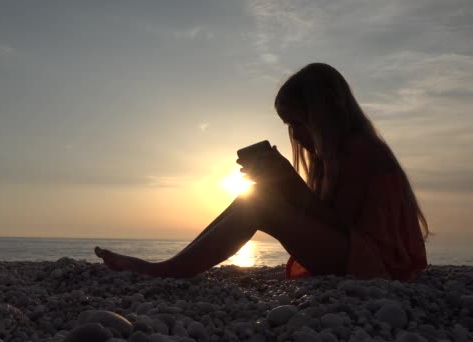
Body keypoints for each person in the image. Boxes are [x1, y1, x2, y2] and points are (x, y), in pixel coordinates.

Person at [94, 63, 428, 281]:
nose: (295, 135)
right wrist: (284, 182)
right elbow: (330, 223)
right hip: (359, 257)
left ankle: (167, 271)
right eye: (288, 126)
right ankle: (173, 265)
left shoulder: (361, 151)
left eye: (299, 123)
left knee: (261, 204)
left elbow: (340, 225)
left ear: (326, 114)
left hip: (379, 266)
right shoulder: (338, 156)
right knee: (253, 197)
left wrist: (288, 182)